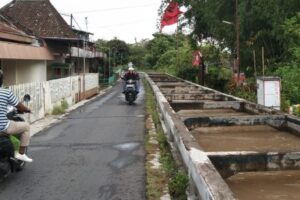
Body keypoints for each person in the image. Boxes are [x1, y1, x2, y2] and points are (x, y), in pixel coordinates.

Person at [0, 70, 33, 162]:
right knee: (26, 126)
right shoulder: (6, 92)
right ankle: (21, 154)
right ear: (2, 81)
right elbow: (20, 107)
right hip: (3, 128)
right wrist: (27, 110)